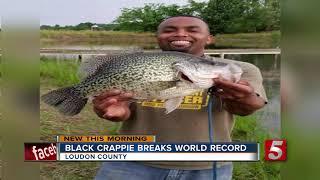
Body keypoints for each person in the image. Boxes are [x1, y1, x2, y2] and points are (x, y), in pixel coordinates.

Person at [94, 15, 267, 180]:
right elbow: (120, 110)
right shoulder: (136, 63)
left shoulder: (239, 69)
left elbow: (248, 107)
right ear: (158, 37)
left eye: (192, 29)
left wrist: (243, 99)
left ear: (209, 38)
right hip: (131, 161)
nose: (180, 34)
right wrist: (113, 113)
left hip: (207, 165)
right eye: (170, 30)